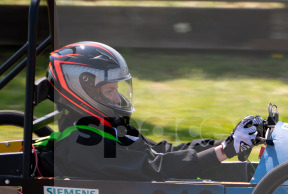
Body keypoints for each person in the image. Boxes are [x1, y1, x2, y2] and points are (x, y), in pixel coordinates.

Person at [37, 41, 262, 180]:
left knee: (249, 174)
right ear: (81, 92)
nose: (117, 97)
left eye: (117, 88)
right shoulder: (83, 144)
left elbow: (163, 151)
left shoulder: (111, 128)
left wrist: (225, 142)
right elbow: (155, 168)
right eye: (109, 91)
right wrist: (223, 151)